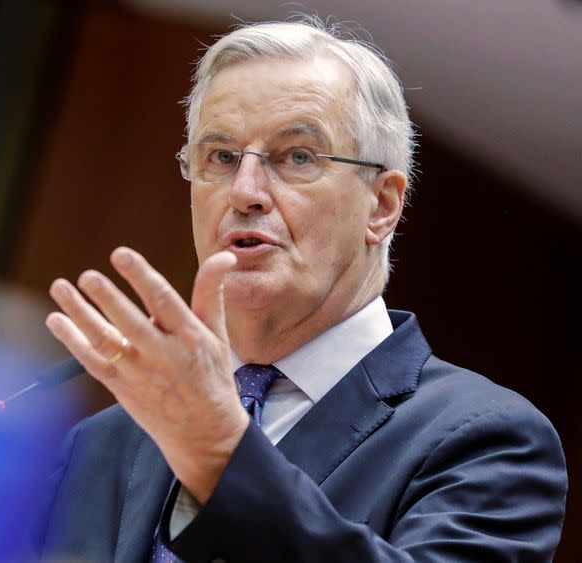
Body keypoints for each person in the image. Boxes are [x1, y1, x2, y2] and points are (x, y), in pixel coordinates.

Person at [37, 16, 567, 562]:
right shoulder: (100, 444)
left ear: (381, 206)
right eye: (221, 157)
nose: (244, 193)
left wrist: (221, 454)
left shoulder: (487, 441)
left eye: (297, 157)